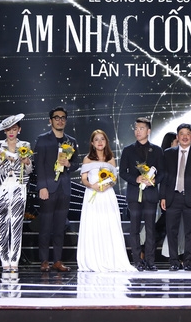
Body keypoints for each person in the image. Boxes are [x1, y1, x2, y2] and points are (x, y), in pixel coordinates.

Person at [77, 129, 135, 272]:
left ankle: (111, 259)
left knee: (108, 226)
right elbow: (83, 179)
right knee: (93, 226)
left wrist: (106, 186)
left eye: (102, 139)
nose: (100, 142)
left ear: (106, 142)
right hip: (92, 195)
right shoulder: (87, 159)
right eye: (96, 139)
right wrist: (93, 186)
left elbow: (114, 179)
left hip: (107, 195)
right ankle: (93, 259)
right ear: (92, 143)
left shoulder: (111, 159)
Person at [33, 106, 79, 272]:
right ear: (50, 120)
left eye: (63, 118)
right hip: (48, 188)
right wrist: (42, 186)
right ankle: (44, 260)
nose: (60, 120)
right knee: (45, 226)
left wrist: (69, 164)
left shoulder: (71, 141)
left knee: (60, 227)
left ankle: (57, 260)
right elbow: (38, 165)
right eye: (56, 117)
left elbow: (76, 164)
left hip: (64, 188)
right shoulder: (43, 139)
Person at [119, 117, 164, 271]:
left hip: (150, 195)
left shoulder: (157, 150)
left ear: (148, 131)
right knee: (134, 229)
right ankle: (137, 260)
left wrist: (154, 181)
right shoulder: (128, 150)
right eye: (136, 128)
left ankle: (151, 261)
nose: (138, 131)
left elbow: (163, 172)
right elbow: (122, 172)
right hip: (134, 195)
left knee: (151, 229)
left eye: (141, 128)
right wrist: (136, 179)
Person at [159, 123, 191, 271]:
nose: (185, 137)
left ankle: (188, 261)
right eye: (182, 134)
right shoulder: (168, 153)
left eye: (188, 134)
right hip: (172, 197)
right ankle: (174, 261)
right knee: (171, 231)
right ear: (177, 136)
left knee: (190, 232)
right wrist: (162, 196)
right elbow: (164, 177)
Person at [0, 114, 33, 274]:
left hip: (18, 184)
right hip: (2, 185)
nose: (11, 132)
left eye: (14, 129)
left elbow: (29, 170)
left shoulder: (25, 145)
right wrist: (0, 158)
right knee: (2, 221)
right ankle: (4, 260)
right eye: (8, 129)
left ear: (19, 130)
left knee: (16, 222)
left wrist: (27, 162)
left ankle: (14, 259)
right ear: (4, 131)